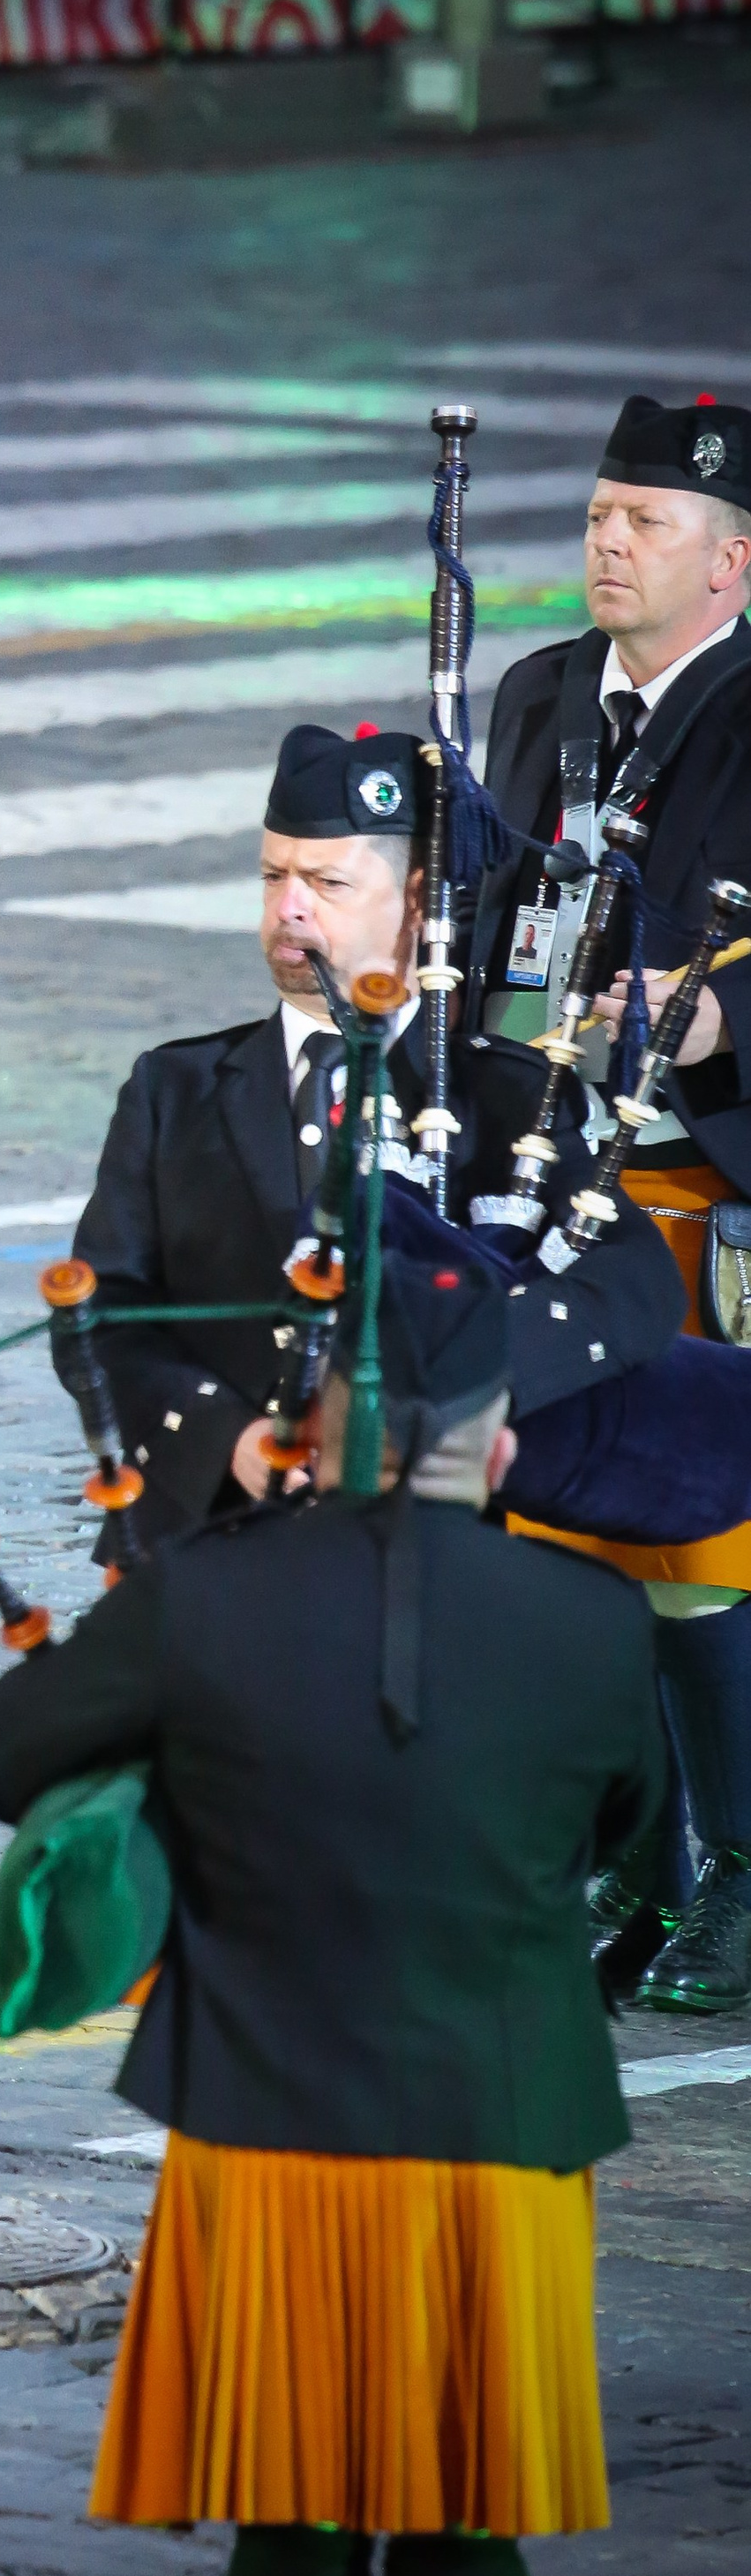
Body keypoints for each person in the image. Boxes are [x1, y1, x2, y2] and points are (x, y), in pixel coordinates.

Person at [0, 1254, 665, 2576]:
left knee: (290, 2525)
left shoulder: (202, 1594)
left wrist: (213, 1547)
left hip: (263, 2114)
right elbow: (628, 1834)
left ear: (314, 1420)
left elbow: (8, 1749)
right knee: (458, 2526)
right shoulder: (588, 1621)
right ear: (494, 1446)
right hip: (492, 2124)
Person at [70, 721, 683, 1558]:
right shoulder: (173, 1089)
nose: (289, 907)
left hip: (431, 1554)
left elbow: (629, 1286)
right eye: (273, 876)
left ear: (421, 903)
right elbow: (104, 1315)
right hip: (203, 1544)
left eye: (326, 882)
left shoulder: (503, 1095)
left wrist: (452, 1405)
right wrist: (232, 1444)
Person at [469, 393, 751, 2009]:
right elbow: (493, 901)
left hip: (706, 1182)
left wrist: (716, 1020)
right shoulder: (539, 697)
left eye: (643, 523)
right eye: (598, 513)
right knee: (566, 1528)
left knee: (703, 1549)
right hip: (552, 1173)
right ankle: (638, 1862)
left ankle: (740, 1873)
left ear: (729, 562)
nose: (606, 540)